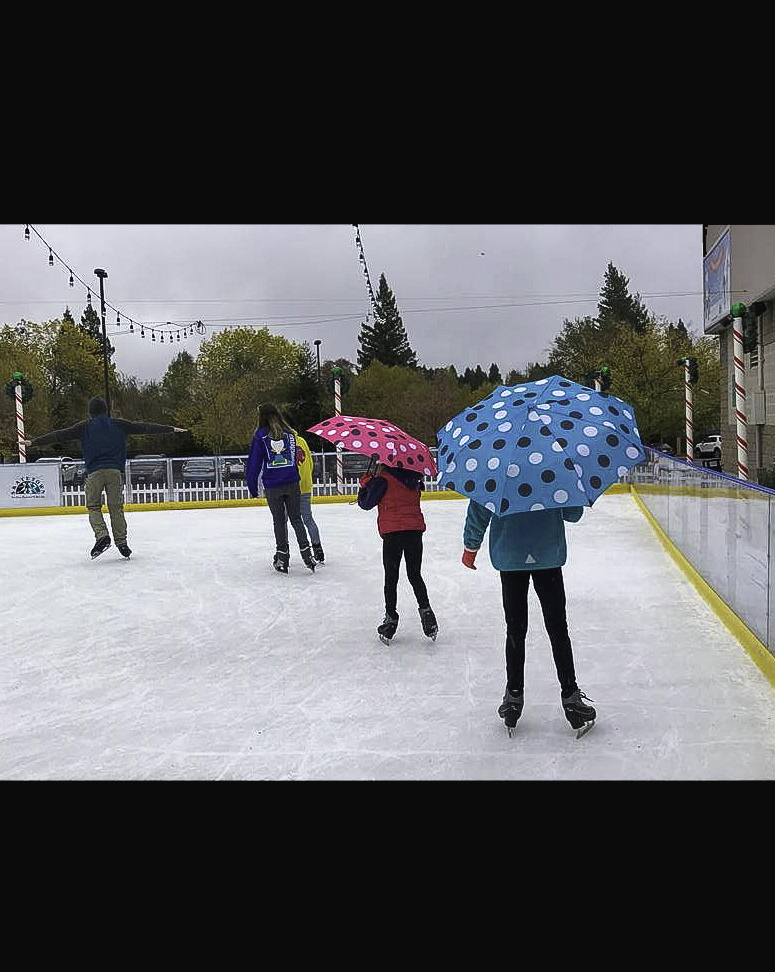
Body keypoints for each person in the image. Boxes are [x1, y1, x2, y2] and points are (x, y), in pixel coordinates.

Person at [461, 500, 596, 737]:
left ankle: (513, 697)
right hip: (548, 557)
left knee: (515, 630)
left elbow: (479, 509)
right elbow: (573, 514)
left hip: (510, 558)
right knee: (557, 630)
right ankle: (571, 698)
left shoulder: (496, 471)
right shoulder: (552, 468)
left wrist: (471, 548)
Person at [23, 396, 187, 560]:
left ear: (90, 412)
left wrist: (34, 442)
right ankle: (122, 543)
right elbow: (144, 427)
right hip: (115, 472)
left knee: (93, 506)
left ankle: (102, 536)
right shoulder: (119, 424)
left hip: (94, 473)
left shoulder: (84, 427)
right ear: (105, 411)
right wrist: (170, 428)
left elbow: (59, 435)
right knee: (116, 508)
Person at [357, 461, 437, 644]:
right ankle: (427, 614)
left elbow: (365, 503)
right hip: (414, 532)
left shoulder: (382, 480)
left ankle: (391, 619)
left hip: (393, 534)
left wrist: (365, 485)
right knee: (415, 574)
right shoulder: (414, 479)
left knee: (391, 577)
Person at [246, 403, 316, 573]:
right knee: (296, 519)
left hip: (273, 485)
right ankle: (307, 555)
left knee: (279, 521)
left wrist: (252, 487)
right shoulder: (290, 435)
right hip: (292, 482)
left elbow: (253, 464)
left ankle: (282, 556)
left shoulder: (260, 436)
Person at [284, 430, 324, 564]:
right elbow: (310, 463)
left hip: (291, 487)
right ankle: (317, 548)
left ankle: (285, 550)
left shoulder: (284, 442)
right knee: (308, 518)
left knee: (287, 520)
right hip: (306, 485)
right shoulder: (302, 441)